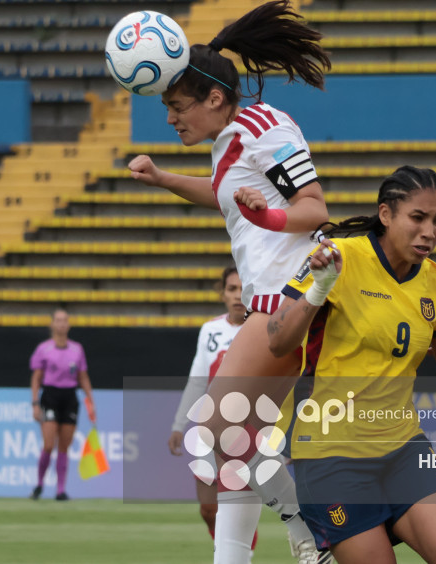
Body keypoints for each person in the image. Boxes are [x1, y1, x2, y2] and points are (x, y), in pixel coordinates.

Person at [128, 2, 332, 561]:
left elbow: (314, 209)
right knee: (231, 447)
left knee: (215, 434)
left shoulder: (264, 128)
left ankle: (306, 528)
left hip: (291, 303)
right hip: (276, 304)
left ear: (215, 98)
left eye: (176, 106)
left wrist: (268, 217)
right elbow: (226, 196)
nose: (171, 119)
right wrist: (163, 179)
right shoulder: (230, 142)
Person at [265, 165, 436, 563]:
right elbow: (277, 340)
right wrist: (319, 289)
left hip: (402, 448)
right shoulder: (340, 257)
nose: (430, 231)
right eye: (418, 217)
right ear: (386, 215)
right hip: (329, 453)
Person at [168, 266, 261, 563]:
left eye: (242, 289)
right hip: (208, 427)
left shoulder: (262, 328)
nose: (237, 295)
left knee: (234, 503)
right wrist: (178, 424)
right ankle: (230, 550)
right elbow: (197, 379)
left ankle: (237, 555)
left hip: (244, 429)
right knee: (208, 509)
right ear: (222, 293)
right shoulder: (210, 330)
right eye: (231, 289)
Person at [29, 309, 95, 501]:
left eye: (65, 320)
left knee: (64, 446)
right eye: (58, 320)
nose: (61, 324)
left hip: (69, 397)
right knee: (49, 444)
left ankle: (60, 490)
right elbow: (36, 377)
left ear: (69, 324)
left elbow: (82, 376)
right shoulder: (44, 349)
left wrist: (90, 398)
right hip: (50, 395)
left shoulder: (77, 349)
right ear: (52, 324)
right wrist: (34, 402)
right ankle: (40, 484)